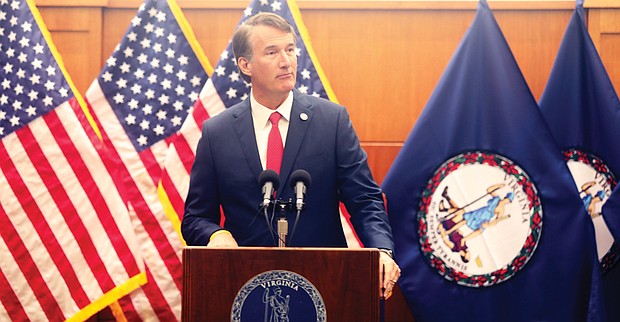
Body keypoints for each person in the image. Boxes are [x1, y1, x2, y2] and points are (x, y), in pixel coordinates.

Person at [181, 12, 400, 297]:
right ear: (245, 65)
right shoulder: (217, 132)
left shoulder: (331, 121)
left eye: (290, 50)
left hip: (325, 282)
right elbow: (195, 217)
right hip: (245, 286)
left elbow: (365, 200)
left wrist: (381, 251)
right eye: (272, 52)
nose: (286, 61)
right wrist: (216, 235)